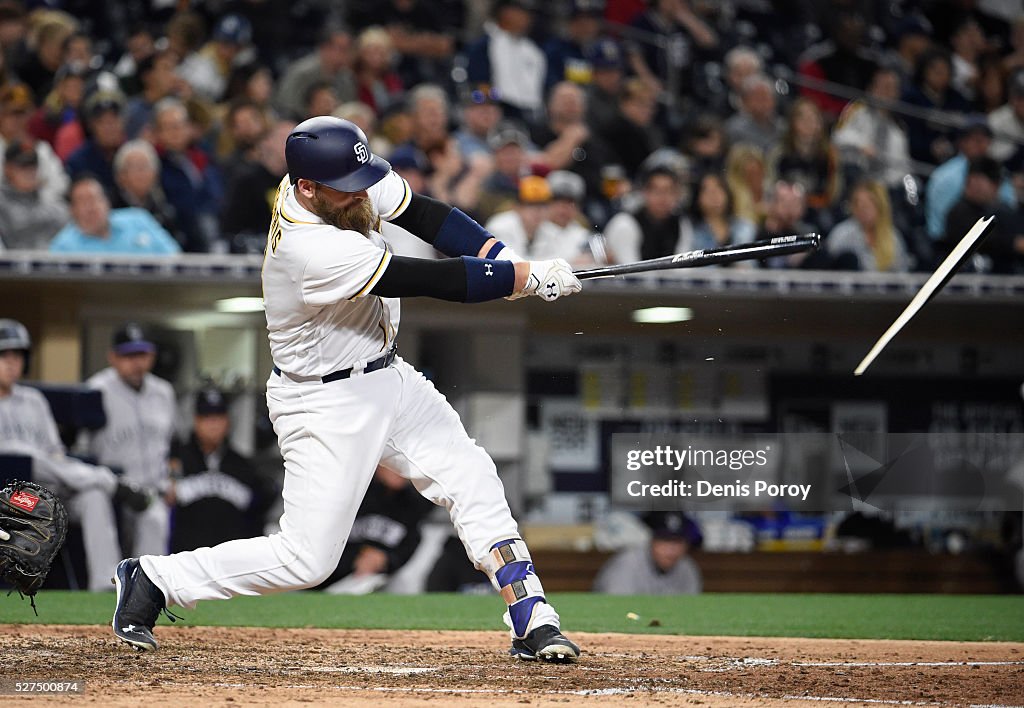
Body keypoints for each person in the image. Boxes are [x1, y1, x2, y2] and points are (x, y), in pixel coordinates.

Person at [110, 116, 582, 664]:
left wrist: (497, 254)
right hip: (323, 401)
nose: (362, 190)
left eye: (363, 176)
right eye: (347, 184)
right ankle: (153, 578)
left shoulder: (336, 178)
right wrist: (523, 278)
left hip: (386, 374)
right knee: (307, 561)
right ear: (305, 189)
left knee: (471, 473)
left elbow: (426, 214)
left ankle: (530, 613)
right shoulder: (308, 247)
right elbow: (431, 280)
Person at [0, 318, 142, 591]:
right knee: (26, 456)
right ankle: (109, 480)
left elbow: (56, 453)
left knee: (93, 496)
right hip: (10, 495)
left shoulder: (34, 400)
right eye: (3, 355)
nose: (11, 362)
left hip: (48, 488)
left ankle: (107, 587)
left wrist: (57, 468)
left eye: (17, 355)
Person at [81, 323, 177, 560]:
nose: (136, 362)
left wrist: (173, 478)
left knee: (155, 519)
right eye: (128, 355)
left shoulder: (164, 392)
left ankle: (146, 590)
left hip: (151, 490)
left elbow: (174, 444)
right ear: (112, 357)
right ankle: (106, 591)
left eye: (142, 354)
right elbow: (81, 450)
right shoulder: (95, 391)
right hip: (113, 488)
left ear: (152, 356)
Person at [168, 387, 277, 554]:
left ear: (227, 421)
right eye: (207, 418)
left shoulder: (243, 466)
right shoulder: (177, 458)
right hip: (185, 557)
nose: (213, 425)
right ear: (196, 421)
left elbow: (256, 515)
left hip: (231, 560)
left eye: (218, 418)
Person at [318, 465, 434, 594]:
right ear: (378, 465)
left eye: (405, 466)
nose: (400, 471)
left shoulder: (413, 503)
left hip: (379, 581)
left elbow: (411, 541)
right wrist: (357, 555)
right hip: (327, 578)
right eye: (394, 465)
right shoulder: (355, 494)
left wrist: (385, 559)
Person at [924, 115, 1015, 241]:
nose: (981, 145)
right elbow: (944, 224)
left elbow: (1009, 205)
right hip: (949, 243)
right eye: (976, 140)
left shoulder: (998, 171)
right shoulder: (945, 176)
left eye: (985, 140)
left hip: (992, 241)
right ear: (962, 142)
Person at [49, 176, 181, 255]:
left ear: (107, 203)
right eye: (83, 201)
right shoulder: (63, 247)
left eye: (95, 199)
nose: (91, 207)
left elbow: (174, 257)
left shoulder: (139, 219)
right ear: (73, 210)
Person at [832, 67, 913, 189]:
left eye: (890, 88)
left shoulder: (898, 130)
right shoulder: (857, 110)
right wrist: (862, 145)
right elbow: (838, 136)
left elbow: (902, 168)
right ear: (871, 89)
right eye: (881, 87)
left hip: (882, 185)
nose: (885, 93)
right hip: (851, 171)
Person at [465, 0, 546, 119]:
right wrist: (496, 99)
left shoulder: (533, 51)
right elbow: (480, 85)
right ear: (505, 12)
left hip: (531, 114)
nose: (527, 17)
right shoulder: (486, 44)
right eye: (522, 12)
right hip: (497, 109)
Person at [593, 511, 702, 594]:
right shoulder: (628, 564)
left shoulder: (688, 568)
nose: (671, 550)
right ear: (651, 541)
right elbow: (617, 610)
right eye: (664, 540)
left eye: (677, 542)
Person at [604, 165, 686, 264]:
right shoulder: (625, 224)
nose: (663, 197)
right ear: (644, 192)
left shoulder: (681, 224)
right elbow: (630, 271)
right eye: (656, 191)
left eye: (669, 191)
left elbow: (682, 269)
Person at [274, 25, 356, 122]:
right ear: (324, 48)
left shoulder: (346, 77)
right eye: (342, 49)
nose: (346, 54)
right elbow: (285, 106)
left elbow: (348, 108)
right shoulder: (301, 73)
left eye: (349, 49)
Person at [825, 181, 909, 272]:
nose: (863, 209)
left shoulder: (893, 238)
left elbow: (902, 276)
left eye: (869, 204)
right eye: (858, 204)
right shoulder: (841, 234)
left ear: (880, 206)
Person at [0, 139, 68, 250]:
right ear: (7, 169)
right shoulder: (2, 203)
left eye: (33, 166)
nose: (30, 172)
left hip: (54, 263)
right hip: (12, 265)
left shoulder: (49, 200)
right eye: (22, 166)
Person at [683, 172, 756, 257]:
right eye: (707, 190)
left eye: (718, 188)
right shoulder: (688, 230)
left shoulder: (745, 227)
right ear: (697, 198)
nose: (714, 194)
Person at [484, 174, 552, 256]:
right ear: (517, 207)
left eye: (543, 205)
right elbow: (509, 264)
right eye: (531, 205)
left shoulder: (551, 231)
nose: (537, 211)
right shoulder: (500, 226)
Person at [723, 74, 785, 156]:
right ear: (745, 101)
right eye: (758, 98)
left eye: (766, 98)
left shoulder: (782, 127)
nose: (763, 103)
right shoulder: (734, 129)